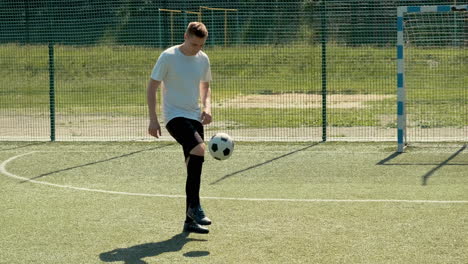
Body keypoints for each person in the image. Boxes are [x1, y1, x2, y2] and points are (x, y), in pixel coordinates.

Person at [147, 22, 212, 234]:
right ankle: (195, 207)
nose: (197, 49)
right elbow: (152, 87)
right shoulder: (168, 56)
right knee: (200, 149)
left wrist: (207, 107)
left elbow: (205, 86)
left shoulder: (203, 59)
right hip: (174, 117)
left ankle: (189, 221)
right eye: (194, 44)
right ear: (185, 36)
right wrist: (153, 119)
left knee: (193, 166)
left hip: (194, 116)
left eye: (201, 45)